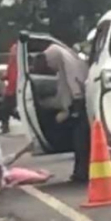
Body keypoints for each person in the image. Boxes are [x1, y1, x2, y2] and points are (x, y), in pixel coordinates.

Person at [33, 43, 90, 182]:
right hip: (76, 110)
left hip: (81, 110)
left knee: (80, 142)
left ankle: (82, 172)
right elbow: (63, 97)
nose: (48, 67)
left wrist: (67, 113)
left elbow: (76, 95)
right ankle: (80, 171)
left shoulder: (72, 72)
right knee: (79, 144)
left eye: (47, 63)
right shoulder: (64, 71)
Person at [1, 43, 18, 134]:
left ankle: (5, 126)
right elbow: (8, 75)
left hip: (15, 90)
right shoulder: (11, 63)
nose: (12, 53)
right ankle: (5, 126)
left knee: (7, 109)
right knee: (5, 109)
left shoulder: (18, 64)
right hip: (10, 90)